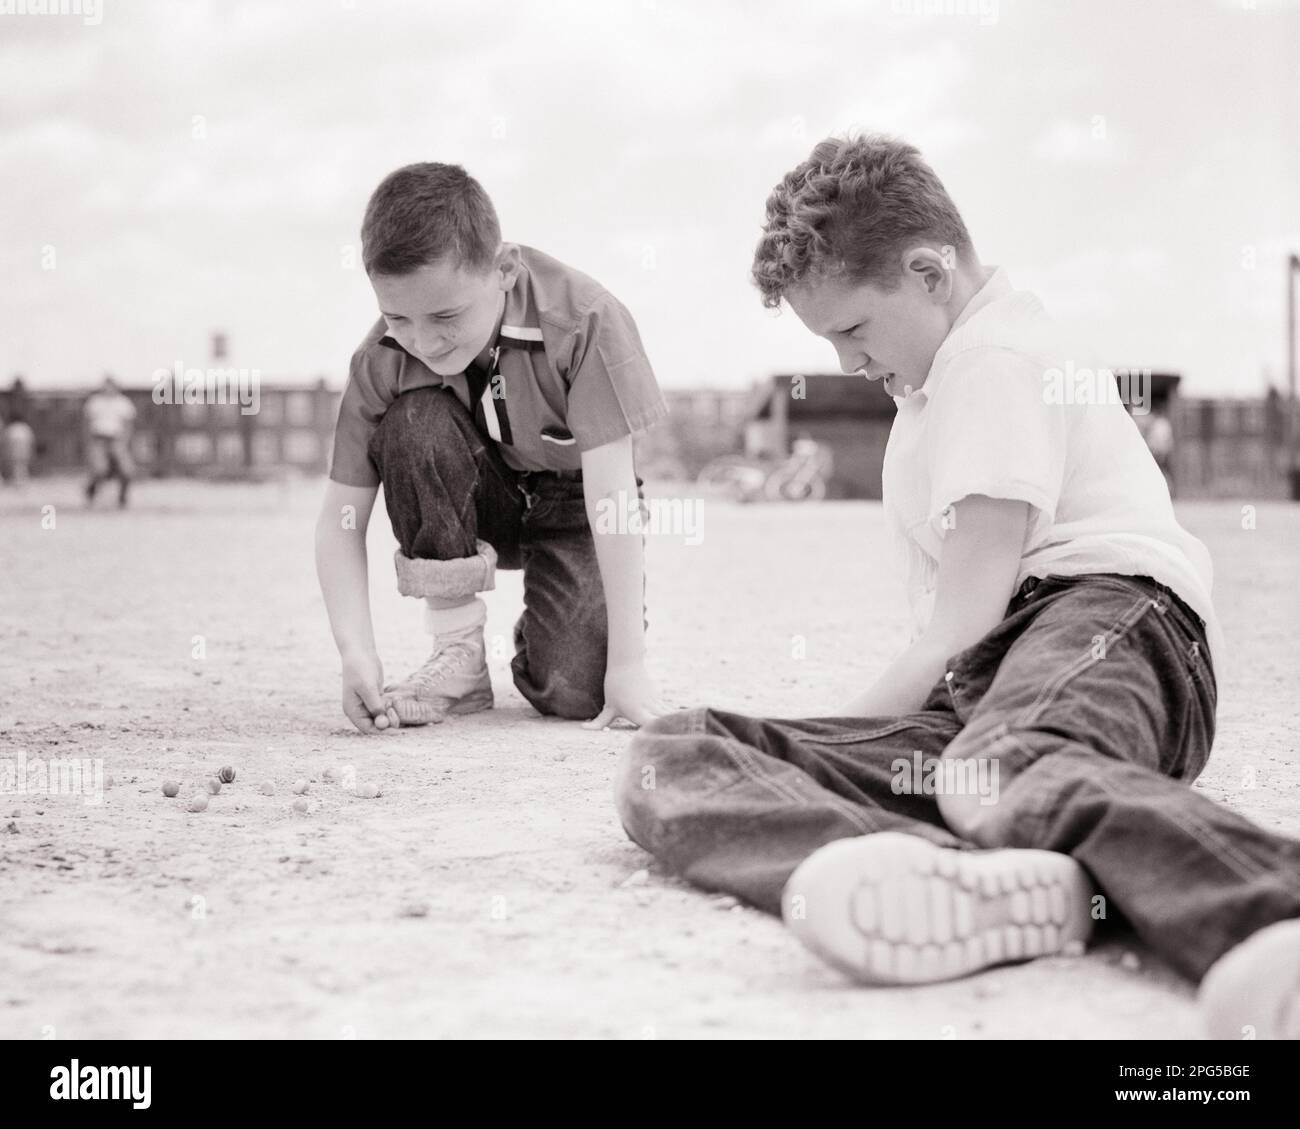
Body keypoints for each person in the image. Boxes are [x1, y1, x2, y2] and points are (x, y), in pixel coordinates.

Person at [615, 134, 1300, 1038]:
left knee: (993, 766)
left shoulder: (995, 361)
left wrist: (842, 735)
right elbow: (962, 653)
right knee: (680, 749)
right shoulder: (937, 380)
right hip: (1000, 687)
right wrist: (822, 746)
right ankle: (996, 881)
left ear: (930, 273)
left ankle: (1269, 906)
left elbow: (957, 625)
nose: (850, 363)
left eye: (854, 330)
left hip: (1112, 626)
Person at [316, 163, 669, 734]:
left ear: (504, 270)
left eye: (446, 316)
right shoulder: (380, 359)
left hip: (575, 502)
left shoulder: (587, 321)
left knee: (577, 689)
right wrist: (354, 650)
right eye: (397, 316)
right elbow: (341, 518)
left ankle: (554, 633)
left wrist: (627, 665)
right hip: (482, 499)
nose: (423, 342)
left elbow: (613, 497)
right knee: (415, 423)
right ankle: (459, 654)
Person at [83, 375, 136, 507]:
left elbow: (129, 425)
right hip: (98, 438)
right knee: (100, 470)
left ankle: (122, 498)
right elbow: (86, 424)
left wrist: (124, 442)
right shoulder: (94, 402)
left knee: (127, 470)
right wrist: (89, 443)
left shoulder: (123, 403)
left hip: (117, 439)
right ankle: (91, 492)